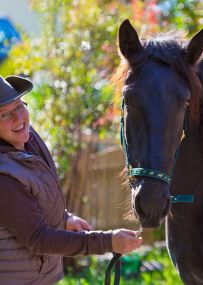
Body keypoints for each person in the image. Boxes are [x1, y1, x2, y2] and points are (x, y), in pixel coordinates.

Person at [0, 75, 142, 285]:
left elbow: (36, 198)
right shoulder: (4, 176)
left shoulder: (28, 138)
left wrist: (64, 218)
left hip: (41, 276)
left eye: (19, 105)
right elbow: (38, 239)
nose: (18, 118)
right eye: (4, 114)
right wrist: (108, 241)